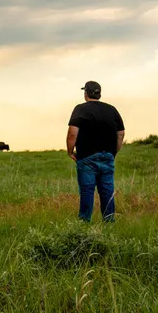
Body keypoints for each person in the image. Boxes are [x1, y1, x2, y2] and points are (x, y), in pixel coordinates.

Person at [66, 81, 125, 222]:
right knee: (107, 191)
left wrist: (70, 151)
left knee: (87, 191)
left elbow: (72, 133)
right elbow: (121, 133)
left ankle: (84, 223)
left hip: (87, 157)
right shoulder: (112, 109)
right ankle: (109, 223)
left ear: (85, 93)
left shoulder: (80, 109)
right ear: (99, 94)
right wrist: (113, 153)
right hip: (107, 156)